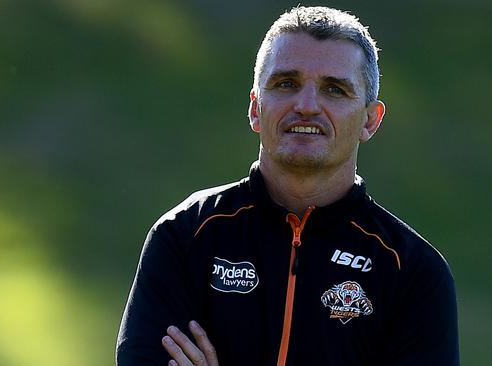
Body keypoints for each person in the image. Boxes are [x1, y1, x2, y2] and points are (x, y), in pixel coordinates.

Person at [116, 6, 459, 366]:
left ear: (370, 120)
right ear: (254, 108)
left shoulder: (415, 274)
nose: (307, 105)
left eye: (335, 90)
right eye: (286, 84)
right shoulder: (184, 237)